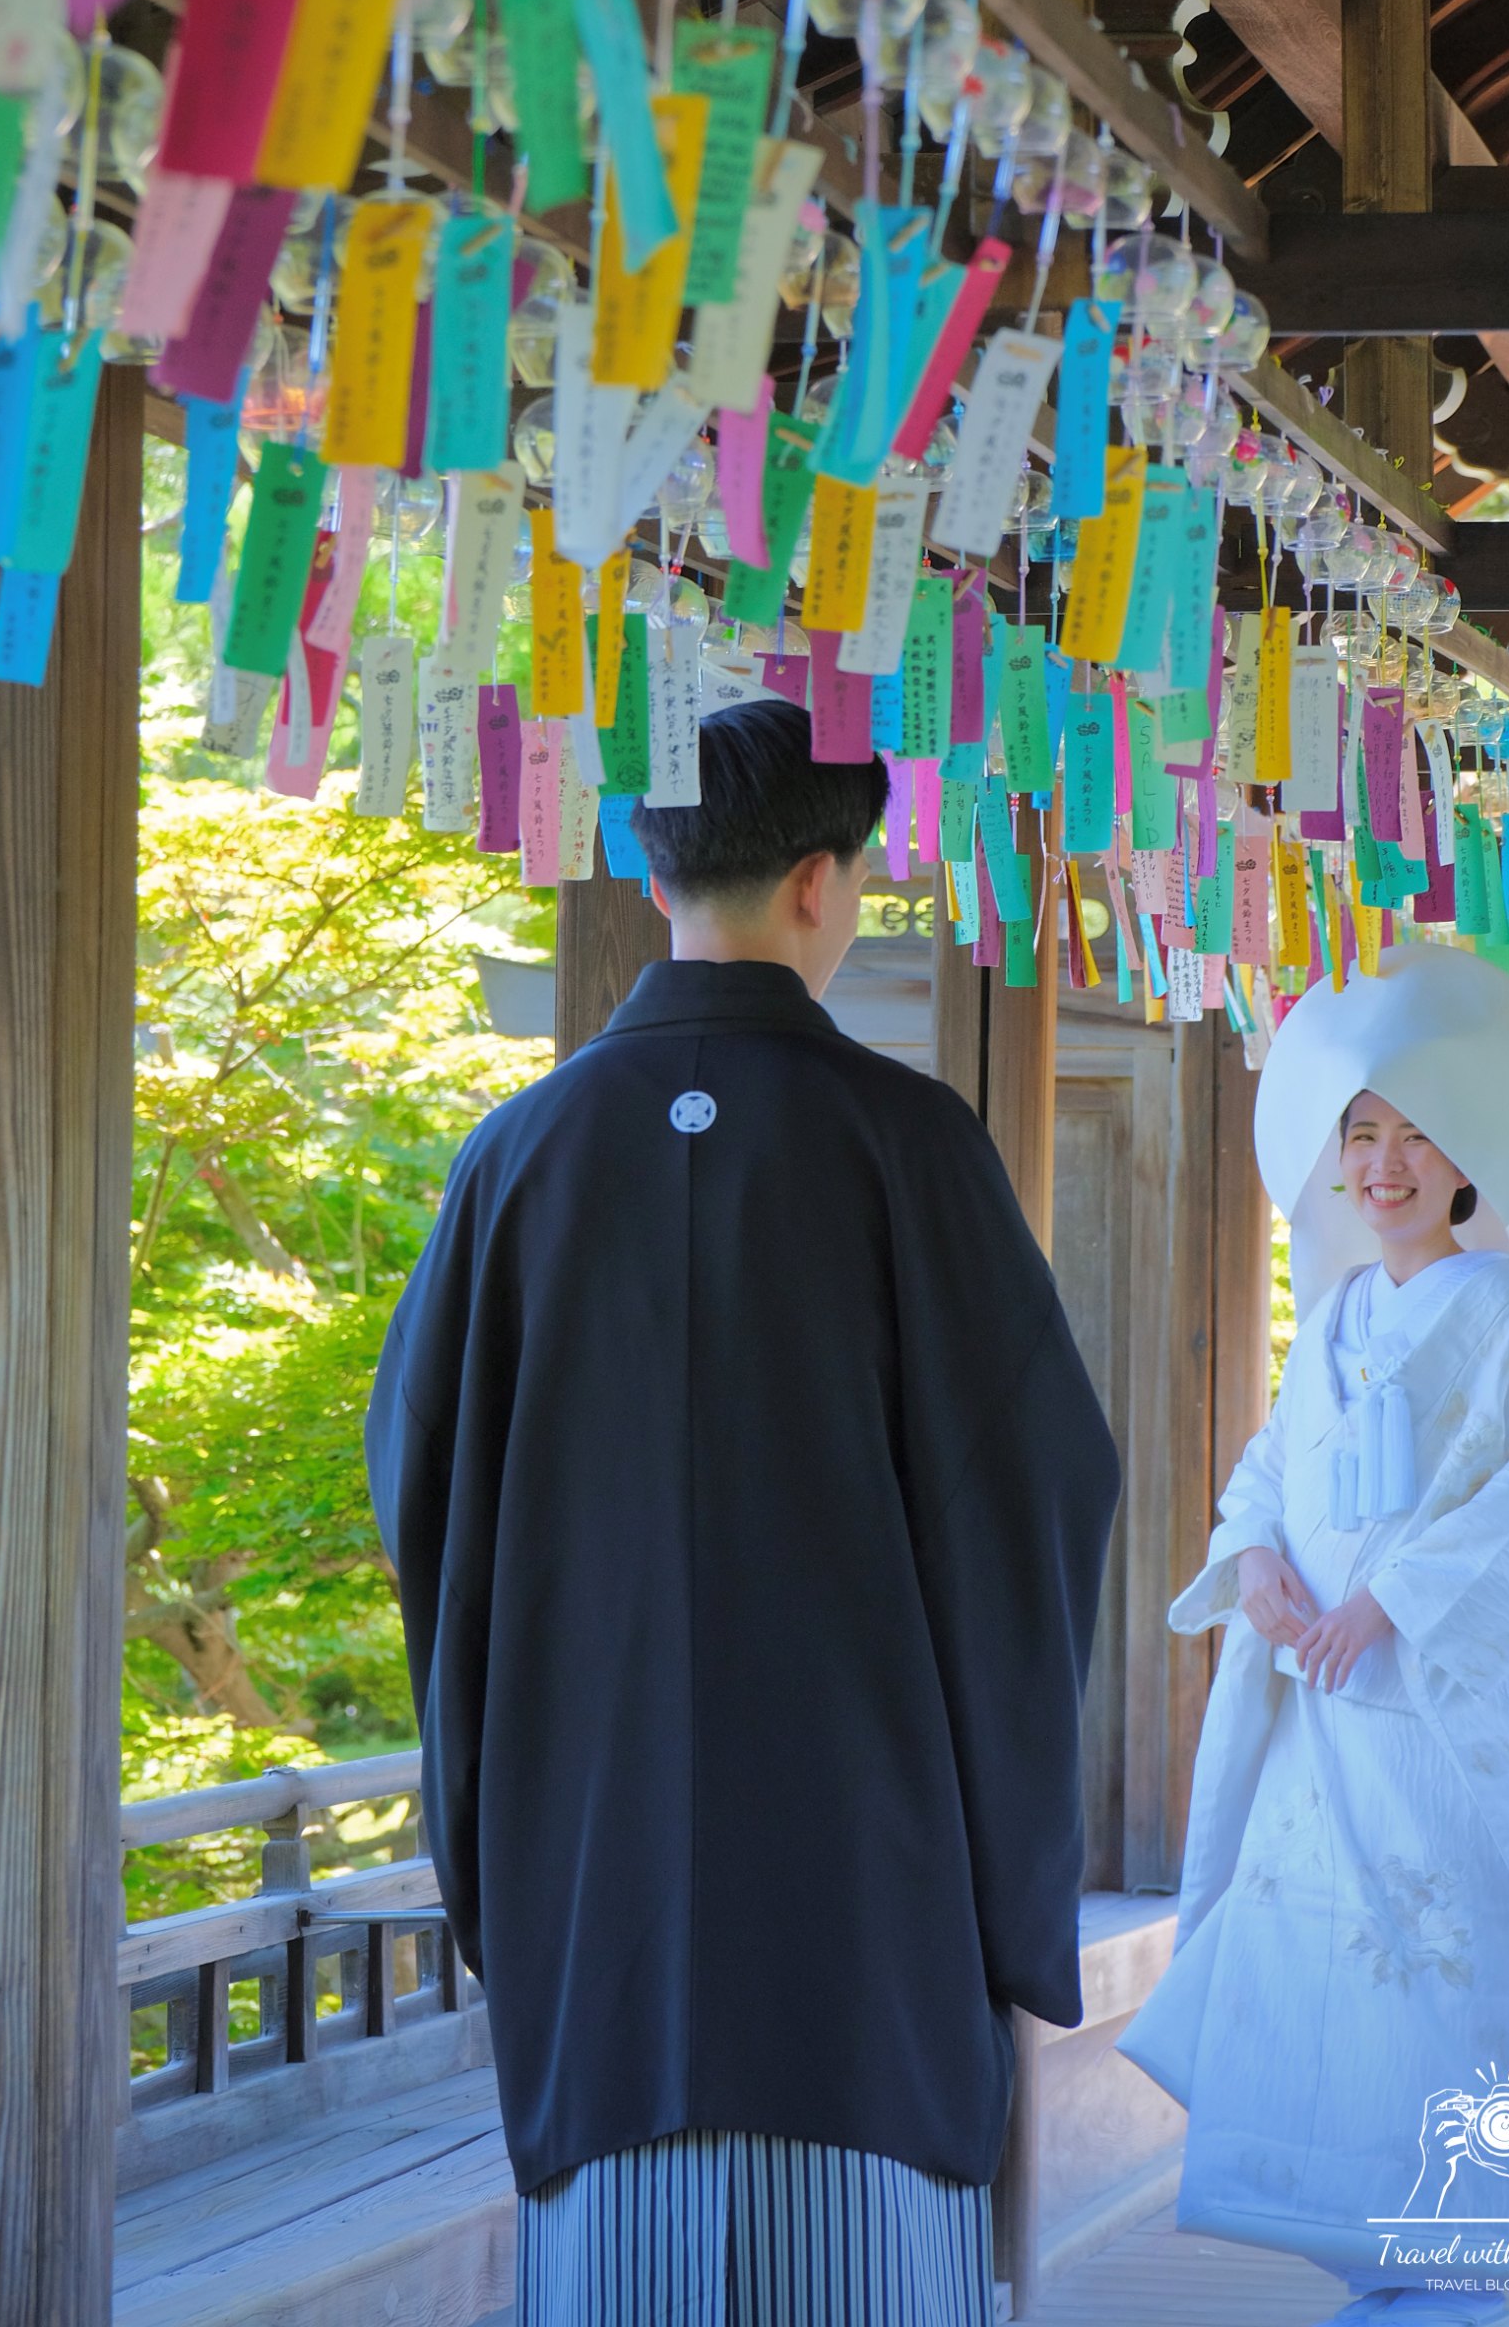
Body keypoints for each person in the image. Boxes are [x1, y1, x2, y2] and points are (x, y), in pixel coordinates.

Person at [367, 695, 1120, 2326]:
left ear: (657, 882)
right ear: (823, 883)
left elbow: (425, 1500)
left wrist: (503, 1845)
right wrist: (1011, 1884)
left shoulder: (516, 1160)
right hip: (866, 1887)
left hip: (599, 1886)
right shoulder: (911, 1147)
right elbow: (1037, 1504)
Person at [1119, 943, 1509, 2326]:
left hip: (1445, 1744)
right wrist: (1259, 1567)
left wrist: (1390, 1599)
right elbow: (1269, 1478)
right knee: (1320, 2002)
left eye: (1416, 1136)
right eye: (1363, 1134)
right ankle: (1380, 2277)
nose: (1386, 1163)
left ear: (1468, 1159)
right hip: (1325, 1727)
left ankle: (1448, 2288)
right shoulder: (1335, 1322)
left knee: (1444, 2014)